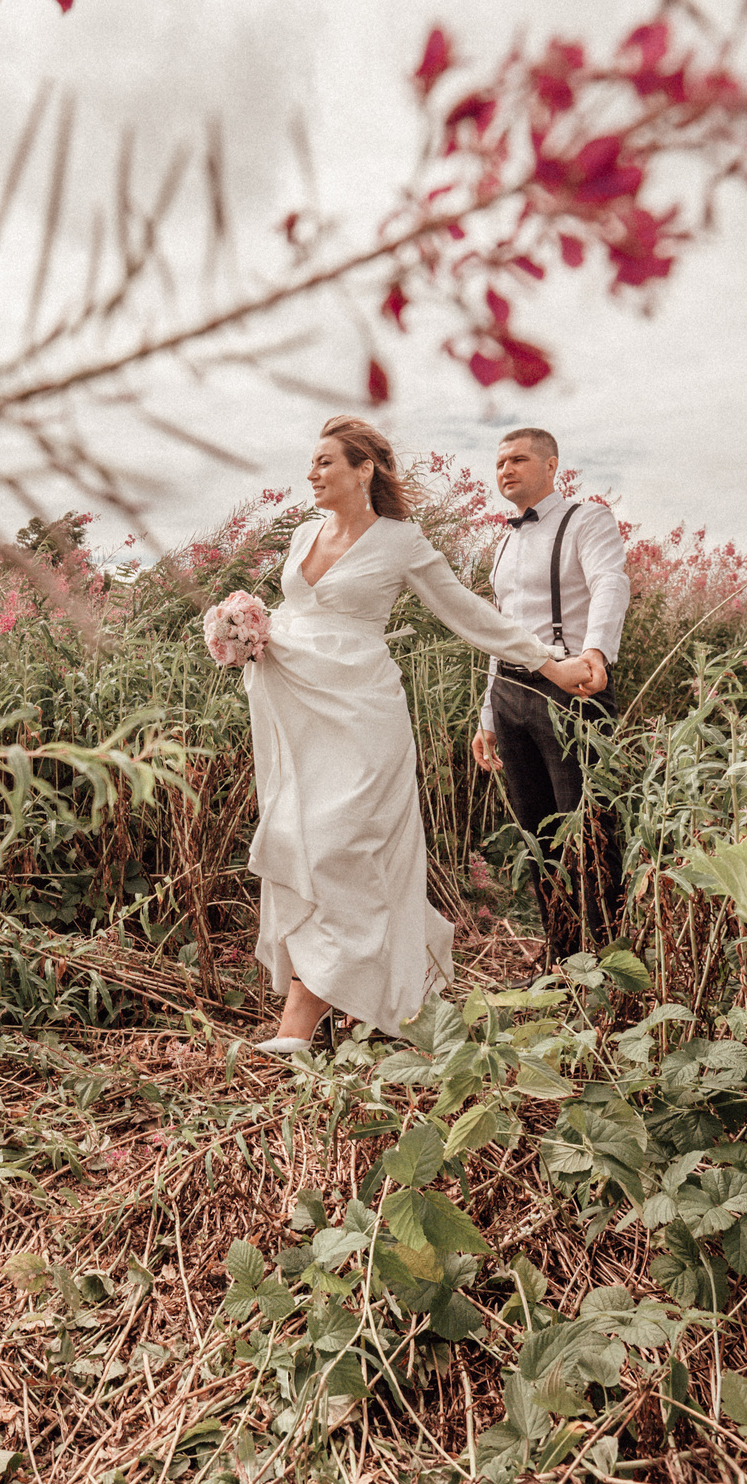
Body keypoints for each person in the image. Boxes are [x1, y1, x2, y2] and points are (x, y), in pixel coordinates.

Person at [243, 416, 600, 1053]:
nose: (311, 473)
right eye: (312, 462)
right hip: (298, 718)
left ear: (363, 469)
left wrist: (546, 661)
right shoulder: (301, 535)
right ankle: (348, 1000)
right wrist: (245, 632)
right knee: (299, 840)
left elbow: (466, 610)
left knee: (341, 848)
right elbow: (297, 616)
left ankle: (301, 1021)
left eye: (325, 462)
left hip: (362, 716)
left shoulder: (400, 541)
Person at [466, 427, 631, 959]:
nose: (506, 470)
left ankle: (603, 960)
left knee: (589, 828)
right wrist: (487, 714)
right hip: (509, 690)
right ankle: (560, 957)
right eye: (500, 463)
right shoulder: (505, 542)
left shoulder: (587, 519)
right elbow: (501, 630)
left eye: (518, 459)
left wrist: (596, 652)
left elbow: (610, 582)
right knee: (538, 832)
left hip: (571, 688)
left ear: (551, 464)